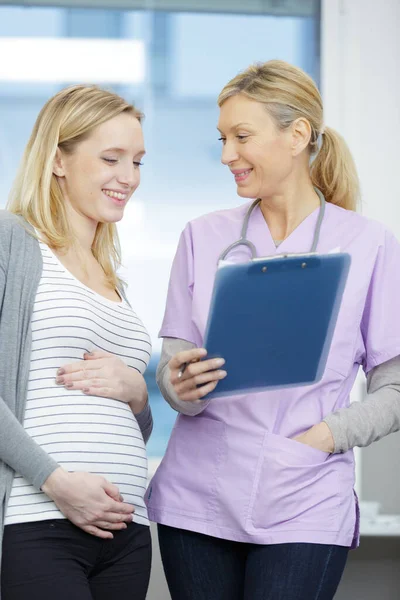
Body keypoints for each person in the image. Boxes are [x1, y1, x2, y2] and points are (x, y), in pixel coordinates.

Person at [147, 60, 400, 600]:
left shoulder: (369, 244)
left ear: (298, 134)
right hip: (198, 494)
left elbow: (395, 387)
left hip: (304, 489)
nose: (225, 156)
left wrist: (324, 439)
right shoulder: (202, 236)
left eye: (241, 137)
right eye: (221, 139)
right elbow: (175, 369)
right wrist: (180, 388)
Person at [0, 85, 153, 600]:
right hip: (38, 518)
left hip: (127, 531)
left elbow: (135, 424)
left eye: (137, 161)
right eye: (111, 158)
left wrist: (136, 391)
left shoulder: (115, 281)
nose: (128, 177)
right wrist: (56, 481)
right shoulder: (12, 243)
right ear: (58, 159)